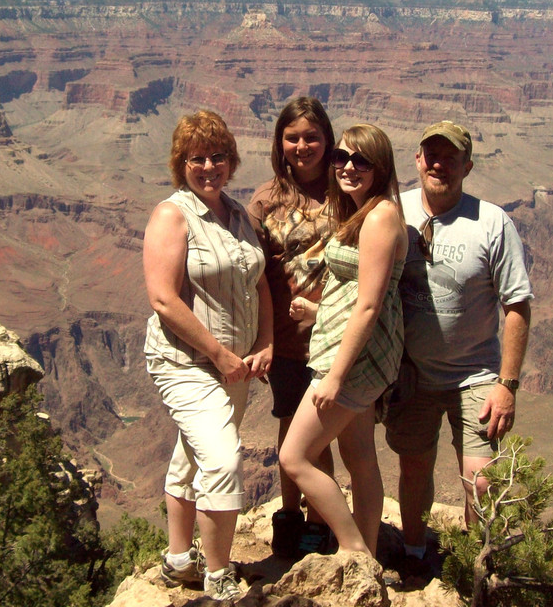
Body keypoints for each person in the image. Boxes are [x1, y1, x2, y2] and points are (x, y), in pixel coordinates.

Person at [384, 120, 533, 570]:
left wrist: (507, 384)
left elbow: (516, 305)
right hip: (411, 373)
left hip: (476, 374)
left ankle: (475, 566)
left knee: (480, 480)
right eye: (431, 155)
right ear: (417, 159)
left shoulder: (492, 223)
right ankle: (414, 552)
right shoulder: (394, 212)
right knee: (413, 467)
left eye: (450, 158)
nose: (439, 164)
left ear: (467, 166)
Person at [143, 110, 274, 601]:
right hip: (187, 363)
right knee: (221, 458)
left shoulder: (237, 214)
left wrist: (266, 342)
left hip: (235, 366)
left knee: (193, 454)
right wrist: (219, 354)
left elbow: (260, 282)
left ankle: (179, 558)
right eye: (196, 158)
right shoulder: (172, 215)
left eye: (218, 156)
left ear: (231, 161)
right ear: (181, 163)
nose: (208, 167)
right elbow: (162, 298)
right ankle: (218, 575)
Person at [279, 123, 407, 557]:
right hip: (357, 350)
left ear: (380, 167)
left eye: (361, 160)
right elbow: (359, 293)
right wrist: (321, 313)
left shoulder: (380, 216)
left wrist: (334, 376)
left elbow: (370, 305)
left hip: (352, 360)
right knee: (360, 457)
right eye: (341, 157)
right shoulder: (361, 211)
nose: (348, 167)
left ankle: (353, 551)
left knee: (294, 457)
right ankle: (367, 552)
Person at [248, 97, 337, 558]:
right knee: (288, 424)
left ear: (327, 139)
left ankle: (320, 521)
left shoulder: (345, 189)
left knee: (318, 435)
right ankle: (289, 514)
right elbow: (254, 275)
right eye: (292, 138)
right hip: (285, 340)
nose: (302, 146)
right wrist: (260, 339)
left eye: (311, 137)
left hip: (334, 337)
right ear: (279, 143)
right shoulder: (265, 200)